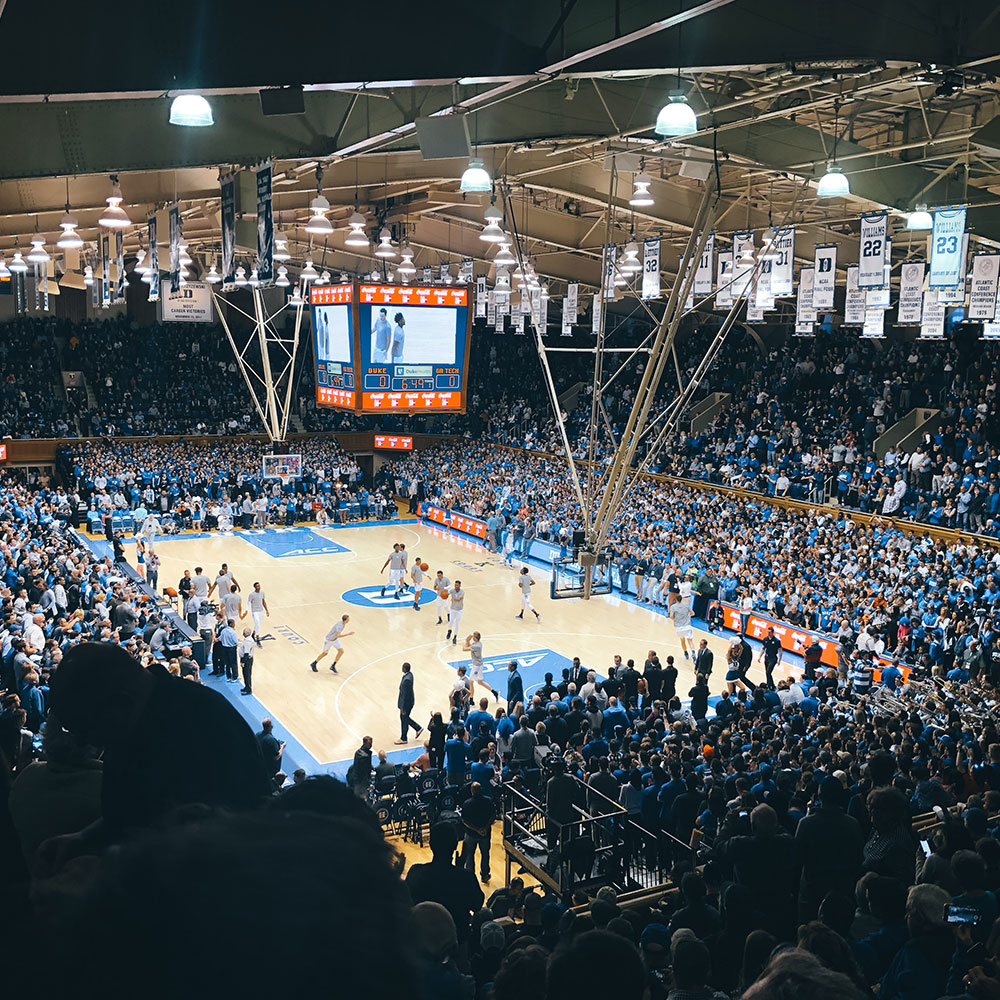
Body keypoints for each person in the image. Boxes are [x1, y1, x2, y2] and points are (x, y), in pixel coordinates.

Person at [41, 643, 270, 867]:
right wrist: (84, 838)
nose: (83, 741)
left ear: (120, 703)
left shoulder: (202, 728)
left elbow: (204, 849)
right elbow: (132, 812)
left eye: (85, 728)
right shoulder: (135, 717)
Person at [405, 822, 484, 952]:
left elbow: (406, 903)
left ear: (430, 845)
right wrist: (460, 870)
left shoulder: (416, 872)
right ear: (454, 846)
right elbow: (477, 905)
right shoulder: (466, 878)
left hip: (423, 942)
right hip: (457, 943)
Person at [460, 781, 495, 883]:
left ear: (472, 791)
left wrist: (476, 830)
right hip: (485, 834)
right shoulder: (488, 801)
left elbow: (464, 820)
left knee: (469, 855)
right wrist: (484, 828)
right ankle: (484, 875)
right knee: (485, 854)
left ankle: (470, 877)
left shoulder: (467, 803)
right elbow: (493, 815)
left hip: (471, 834)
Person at [463, 630, 499, 702]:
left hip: (476, 666)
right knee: (480, 682)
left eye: (473, 636)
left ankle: (471, 700)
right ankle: (495, 692)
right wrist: (468, 642)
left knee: (471, 682)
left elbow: (464, 649)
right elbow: (469, 646)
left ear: (475, 638)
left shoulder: (476, 646)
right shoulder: (478, 643)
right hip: (479, 664)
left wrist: (466, 640)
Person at [396, 661, 423, 744]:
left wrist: (402, 707)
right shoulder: (409, 675)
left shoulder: (406, 680)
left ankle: (404, 738)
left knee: (404, 718)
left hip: (406, 704)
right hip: (409, 702)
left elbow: (405, 695)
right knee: (405, 718)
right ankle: (416, 729)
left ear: (404, 669)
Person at [668, 593, 694, 658]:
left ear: (675, 599)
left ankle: (686, 653)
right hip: (687, 625)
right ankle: (693, 652)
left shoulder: (673, 607)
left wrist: (676, 619)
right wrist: (686, 616)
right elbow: (693, 613)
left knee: (682, 641)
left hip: (679, 627)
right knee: (690, 640)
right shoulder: (686, 605)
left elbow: (671, 616)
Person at [244, 581, 269, 646]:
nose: (259, 587)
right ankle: (257, 637)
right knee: (257, 622)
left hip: (260, 611)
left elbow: (263, 602)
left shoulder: (262, 593)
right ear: (255, 587)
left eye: (259, 585)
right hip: (255, 611)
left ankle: (253, 634)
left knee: (257, 624)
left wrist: (266, 610)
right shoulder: (252, 594)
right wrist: (246, 610)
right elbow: (248, 602)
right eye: (257, 586)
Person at [759, 626, 782, 690]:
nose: (768, 633)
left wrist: (779, 660)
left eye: (770, 632)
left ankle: (771, 686)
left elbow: (780, 650)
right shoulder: (765, 639)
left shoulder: (777, 641)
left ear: (772, 632)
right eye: (768, 632)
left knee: (768, 672)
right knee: (767, 672)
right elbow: (763, 648)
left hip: (773, 658)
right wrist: (760, 656)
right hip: (766, 657)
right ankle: (770, 685)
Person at [218, 618, 240, 682]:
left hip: (224, 648)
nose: (234, 624)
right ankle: (235, 677)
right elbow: (235, 641)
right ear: (231, 624)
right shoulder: (232, 632)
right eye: (234, 623)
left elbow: (220, 639)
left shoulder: (223, 631)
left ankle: (228, 677)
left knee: (227, 663)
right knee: (233, 663)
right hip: (231, 649)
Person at [446, 580, 465, 644]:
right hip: (453, 609)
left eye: (457, 585)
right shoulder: (452, 590)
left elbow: (459, 599)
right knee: (451, 622)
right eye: (455, 585)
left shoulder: (462, 592)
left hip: (459, 610)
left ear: (460, 585)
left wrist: (454, 599)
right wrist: (445, 594)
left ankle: (455, 637)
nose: (456, 586)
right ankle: (449, 631)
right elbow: (447, 593)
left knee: (457, 623)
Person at [238, 627, 256, 695]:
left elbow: (246, 653)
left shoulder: (248, 642)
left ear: (245, 634)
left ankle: (248, 689)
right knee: (245, 674)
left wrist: (243, 662)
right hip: (247, 659)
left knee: (247, 674)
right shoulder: (249, 639)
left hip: (247, 660)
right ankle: (246, 686)